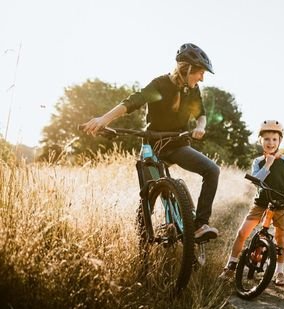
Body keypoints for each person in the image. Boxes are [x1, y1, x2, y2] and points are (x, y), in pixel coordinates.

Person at [81, 43, 220, 240]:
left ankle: (199, 225)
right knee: (148, 195)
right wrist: (104, 119)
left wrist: (200, 126)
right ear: (186, 68)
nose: (202, 78)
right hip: (153, 146)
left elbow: (201, 114)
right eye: (199, 73)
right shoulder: (160, 85)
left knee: (212, 170)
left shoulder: (193, 90)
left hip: (177, 145)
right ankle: (144, 240)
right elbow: (132, 102)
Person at [219, 120, 284, 286]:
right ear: (260, 141)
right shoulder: (257, 162)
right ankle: (231, 265)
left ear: (279, 141)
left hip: (280, 203)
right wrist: (268, 164)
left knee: (280, 237)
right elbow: (257, 181)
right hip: (261, 203)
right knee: (243, 232)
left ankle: (279, 272)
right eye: (266, 139)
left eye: (274, 139)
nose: (270, 142)